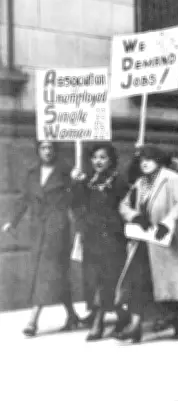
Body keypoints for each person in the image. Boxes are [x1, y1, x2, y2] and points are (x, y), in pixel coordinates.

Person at [2, 141, 86, 337]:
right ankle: (72, 314)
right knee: (57, 272)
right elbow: (24, 199)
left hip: (57, 227)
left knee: (44, 272)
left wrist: (78, 181)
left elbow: (77, 200)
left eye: (51, 148)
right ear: (38, 150)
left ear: (56, 150)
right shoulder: (32, 173)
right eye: (43, 148)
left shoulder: (66, 172)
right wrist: (12, 222)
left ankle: (33, 320)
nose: (47, 152)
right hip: (37, 228)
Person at [116, 145, 178, 342]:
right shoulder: (140, 183)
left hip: (169, 239)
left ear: (159, 161)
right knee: (139, 281)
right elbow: (124, 205)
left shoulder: (172, 178)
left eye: (149, 159)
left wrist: (167, 221)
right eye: (141, 160)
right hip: (146, 240)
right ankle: (135, 326)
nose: (144, 163)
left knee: (171, 284)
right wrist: (135, 216)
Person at [70, 143, 130, 341]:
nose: (98, 161)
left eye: (103, 157)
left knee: (107, 280)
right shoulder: (87, 181)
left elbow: (125, 206)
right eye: (95, 157)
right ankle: (122, 316)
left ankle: (98, 322)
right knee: (94, 279)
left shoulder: (119, 181)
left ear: (111, 160)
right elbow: (76, 204)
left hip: (112, 238)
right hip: (92, 237)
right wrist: (76, 183)